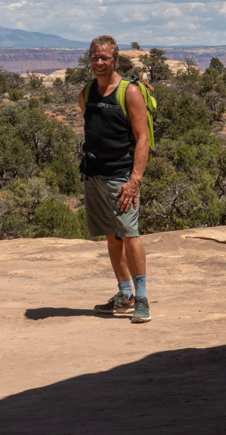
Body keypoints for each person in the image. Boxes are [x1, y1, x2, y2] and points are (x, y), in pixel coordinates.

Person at [79, 35, 151, 323]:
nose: (99, 62)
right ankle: (124, 294)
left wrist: (134, 180)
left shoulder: (129, 92)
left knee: (130, 234)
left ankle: (142, 297)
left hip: (121, 177)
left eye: (104, 58)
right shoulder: (86, 92)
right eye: (95, 57)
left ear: (115, 59)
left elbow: (142, 138)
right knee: (112, 235)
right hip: (94, 173)